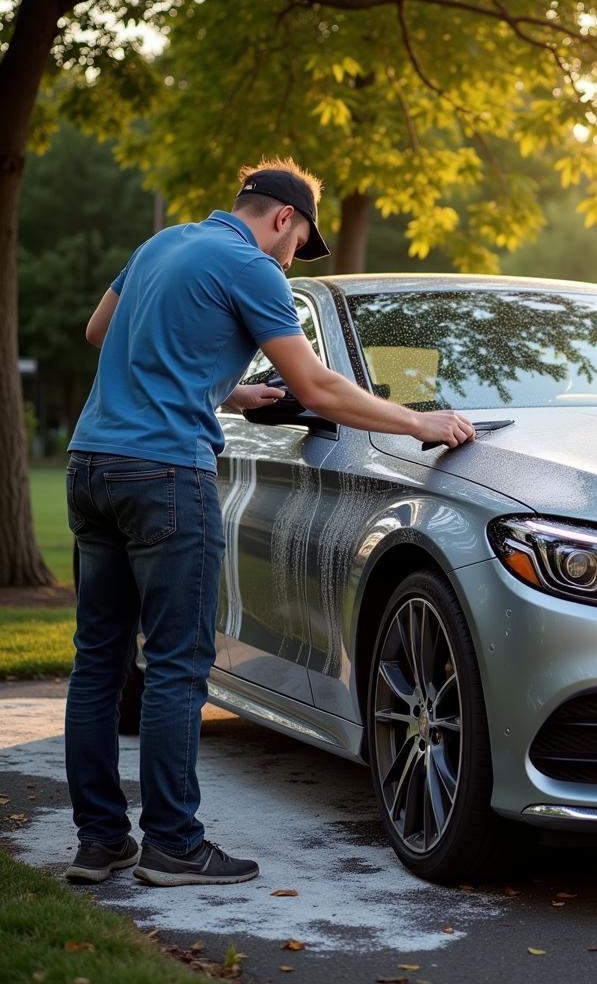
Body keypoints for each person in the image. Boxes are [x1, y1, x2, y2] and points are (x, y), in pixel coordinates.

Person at [63, 157, 475, 886]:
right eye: (299, 242)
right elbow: (317, 386)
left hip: (92, 464)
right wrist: (420, 421)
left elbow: (102, 332)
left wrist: (224, 394)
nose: (293, 257)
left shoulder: (160, 245)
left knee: (99, 662)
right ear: (284, 217)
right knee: (178, 663)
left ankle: (101, 843)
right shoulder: (255, 270)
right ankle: (174, 846)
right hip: (165, 475)